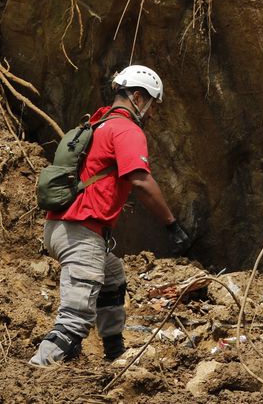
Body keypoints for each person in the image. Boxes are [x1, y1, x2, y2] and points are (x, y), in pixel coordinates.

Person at [29, 65, 192, 367]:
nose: (152, 113)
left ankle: (114, 351)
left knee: (112, 276)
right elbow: (140, 181)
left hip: (59, 228)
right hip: (81, 233)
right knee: (74, 319)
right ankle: (37, 370)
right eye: (152, 104)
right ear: (138, 97)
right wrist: (172, 225)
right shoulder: (127, 129)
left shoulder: (97, 124)